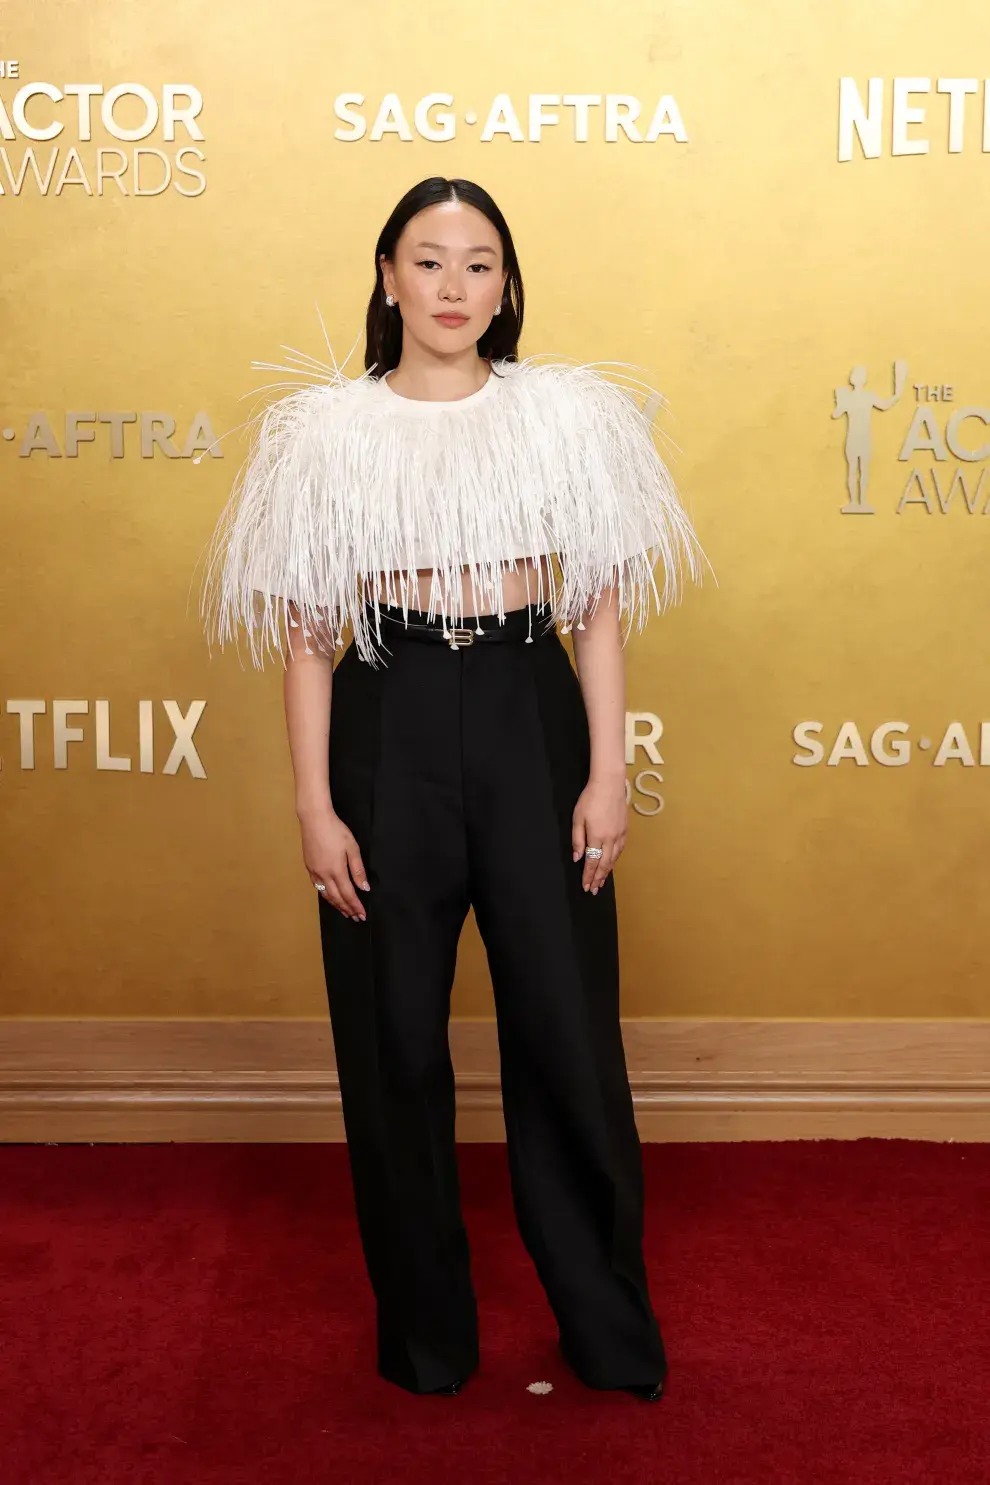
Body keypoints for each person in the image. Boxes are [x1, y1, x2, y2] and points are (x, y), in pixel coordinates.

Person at [200, 175, 709, 1402]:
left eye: (479, 264)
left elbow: (597, 614)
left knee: (569, 1040)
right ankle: (428, 1340)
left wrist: (606, 773)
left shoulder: (569, 419)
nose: (453, 287)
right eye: (428, 262)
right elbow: (308, 637)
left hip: (532, 712)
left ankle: (607, 1331)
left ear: (507, 285)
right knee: (394, 1050)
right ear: (386, 278)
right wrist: (317, 808)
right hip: (391, 720)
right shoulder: (323, 433)